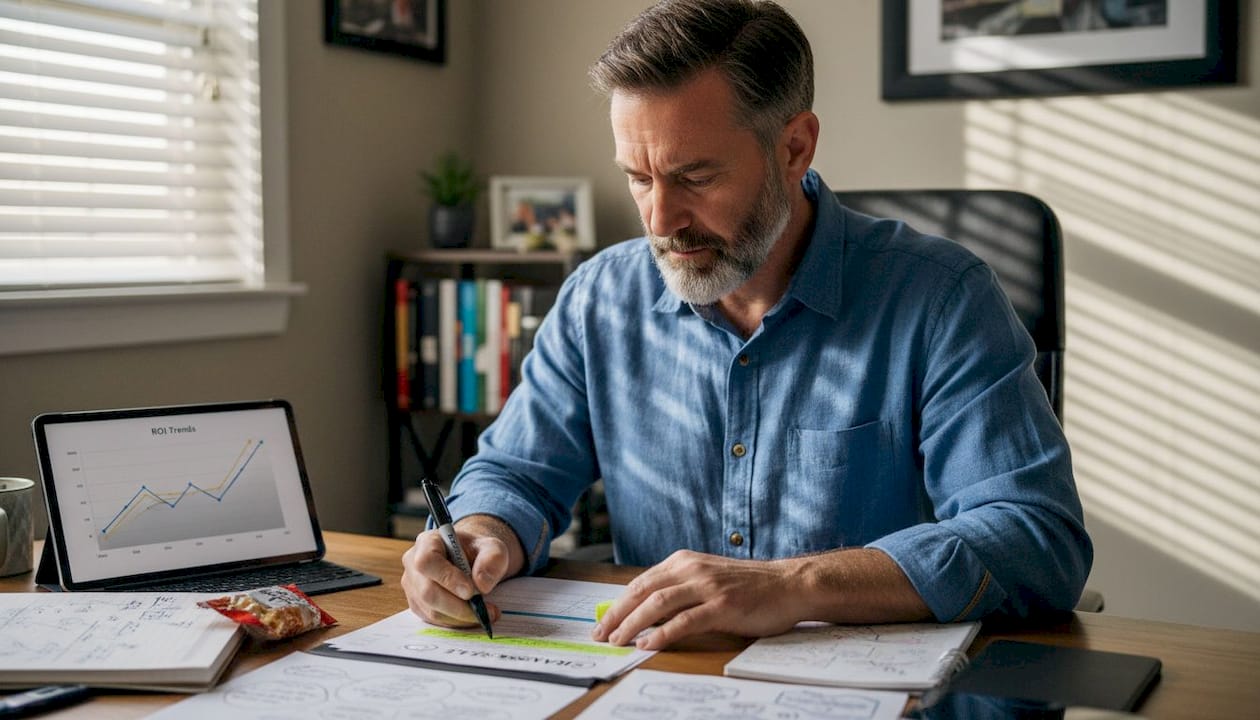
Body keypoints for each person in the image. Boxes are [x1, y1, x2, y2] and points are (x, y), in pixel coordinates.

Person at [401, 0, 1092, 652]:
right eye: (639, 177)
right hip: (655, 677)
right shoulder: (599, 299)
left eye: (694, 176)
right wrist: (480, 531)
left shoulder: (942, 299)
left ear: (794, 147)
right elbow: (517, 474)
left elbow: (1036, 537)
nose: (659, 221)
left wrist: (794, 585)